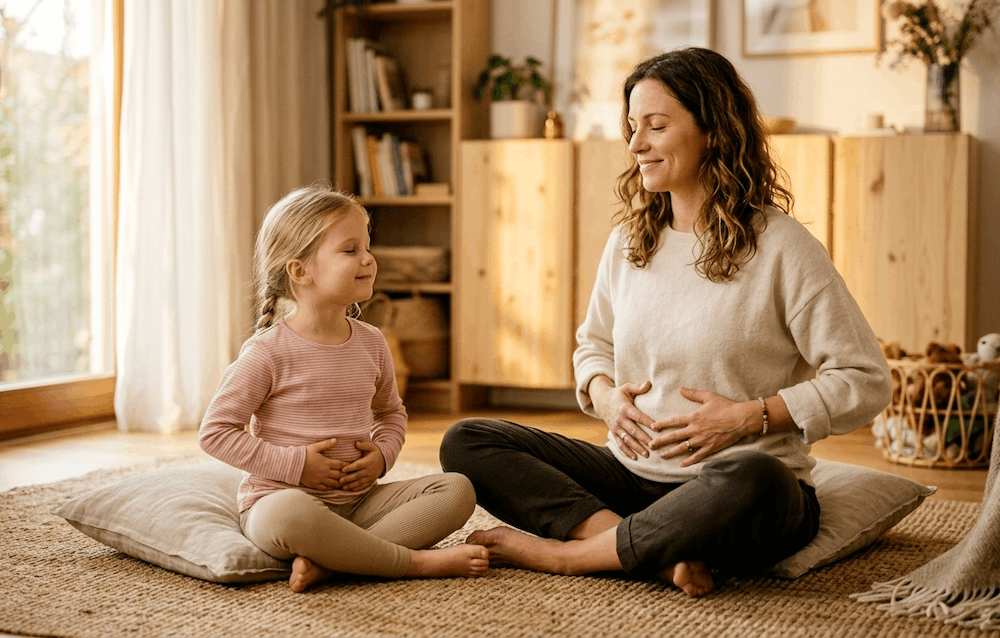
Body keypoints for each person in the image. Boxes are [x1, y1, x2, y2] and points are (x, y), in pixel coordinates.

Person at [439, 48, 892, 597]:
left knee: (760, 480)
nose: (635, 145)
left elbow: (864, 379)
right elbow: (593, 347)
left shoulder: (782, 247)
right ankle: (644, 552)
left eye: (656, 126)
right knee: (469, 439)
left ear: (713, 131)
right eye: (632, 127)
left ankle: (570, 557)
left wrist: (751, 418)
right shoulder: (629, 242)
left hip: (733, 492)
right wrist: (605, 398)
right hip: (634, 479)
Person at [200, 185, 488, 593]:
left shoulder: (372, 342)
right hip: (282, 503)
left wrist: (383, 455)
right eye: (350, 250)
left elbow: (391, 413)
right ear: (300, 271)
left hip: (358, 505)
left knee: (457, 489)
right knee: (290, 513)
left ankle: (336, 564)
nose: (368, 259)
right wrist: (296, 465)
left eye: (367, 247)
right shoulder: (268, 352)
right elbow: (215, 432)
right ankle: (412, 563)